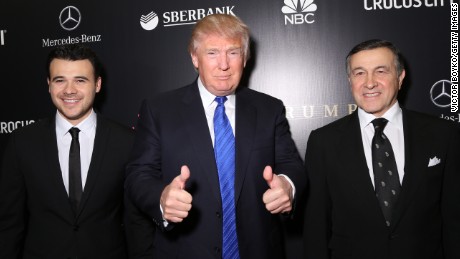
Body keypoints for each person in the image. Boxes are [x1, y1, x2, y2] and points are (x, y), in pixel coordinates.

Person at [125, 14, 306, 259]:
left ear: (244, 58)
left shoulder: (269, 109)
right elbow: (139, 174)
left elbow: (291, 164)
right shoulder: (159, 110)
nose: (223, 64)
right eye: (212, 53)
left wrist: (288, 185)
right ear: (194, 58)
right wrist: (161, 197)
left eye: (232, 52)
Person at [303, 39, 460, 259]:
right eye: (359, 73)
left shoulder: (443, 133)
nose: (369, 83)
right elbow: (315, 227)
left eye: (380, 71)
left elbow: (454, 218)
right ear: (350, 80)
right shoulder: (323, 141)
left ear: (400, 77)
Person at [0, 44, 150, 258]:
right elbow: (9, 223)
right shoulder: (22, 142)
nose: (69, 90)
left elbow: (137, 222)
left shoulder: (126, 142)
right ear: (49, 85)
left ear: (97, 84)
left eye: (80, 80)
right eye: (60, 80)